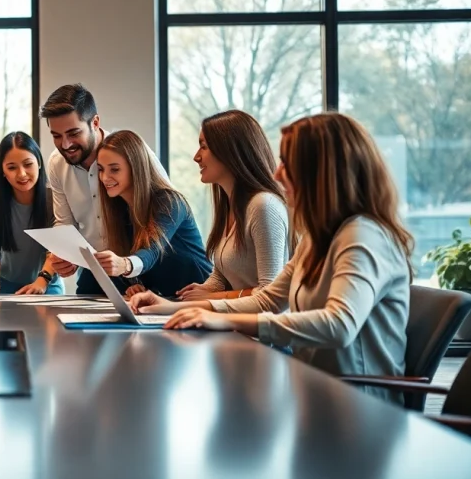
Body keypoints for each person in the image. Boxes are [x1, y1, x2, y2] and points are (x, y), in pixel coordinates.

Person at [128, 113, 413, 401]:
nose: (277, 174)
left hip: (359, 405)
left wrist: (229, 321)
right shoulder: (318, 239)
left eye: (288, 163)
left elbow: (338, 325)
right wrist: (169, 308)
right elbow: (268, 300)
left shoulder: (364, 236)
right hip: (314, 391)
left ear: (322, 171)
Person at [40, 83, 167, 295]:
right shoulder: (56, 163)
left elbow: (165, 206)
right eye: (56, 136)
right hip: (93, 270)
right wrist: (66, 255)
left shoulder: (131, 152)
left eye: (73, 133)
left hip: (140, 268)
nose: (65, 144)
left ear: (95, 122)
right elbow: (64, 222)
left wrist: (130, 264)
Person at [176, 110, 290, 301]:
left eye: (203, 147)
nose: (196, 157)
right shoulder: (230, 206)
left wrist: (215, 297)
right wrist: (203, 290)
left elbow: (270, 292)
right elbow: (222, 274)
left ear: (229, 151)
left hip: (259, 328)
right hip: (237, 323)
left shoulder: (263, 206)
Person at [91, 130, 212, 297]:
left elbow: (152, 251)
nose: (105, 178)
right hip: (170, 302)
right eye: (100, 169)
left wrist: (125, 265)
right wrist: (138, 285)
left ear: (136, 168)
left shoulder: (169, 201)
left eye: (115, 169)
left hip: (203, 299)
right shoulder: (121, 210)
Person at [0, 132, 64, 296]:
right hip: (4, 286)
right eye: (11, 167)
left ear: (38, 163)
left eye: (27, 164)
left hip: (47, 282)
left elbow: (56, 247)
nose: (22, 174)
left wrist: (42, 280)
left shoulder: (54, 198)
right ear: (3, 171)